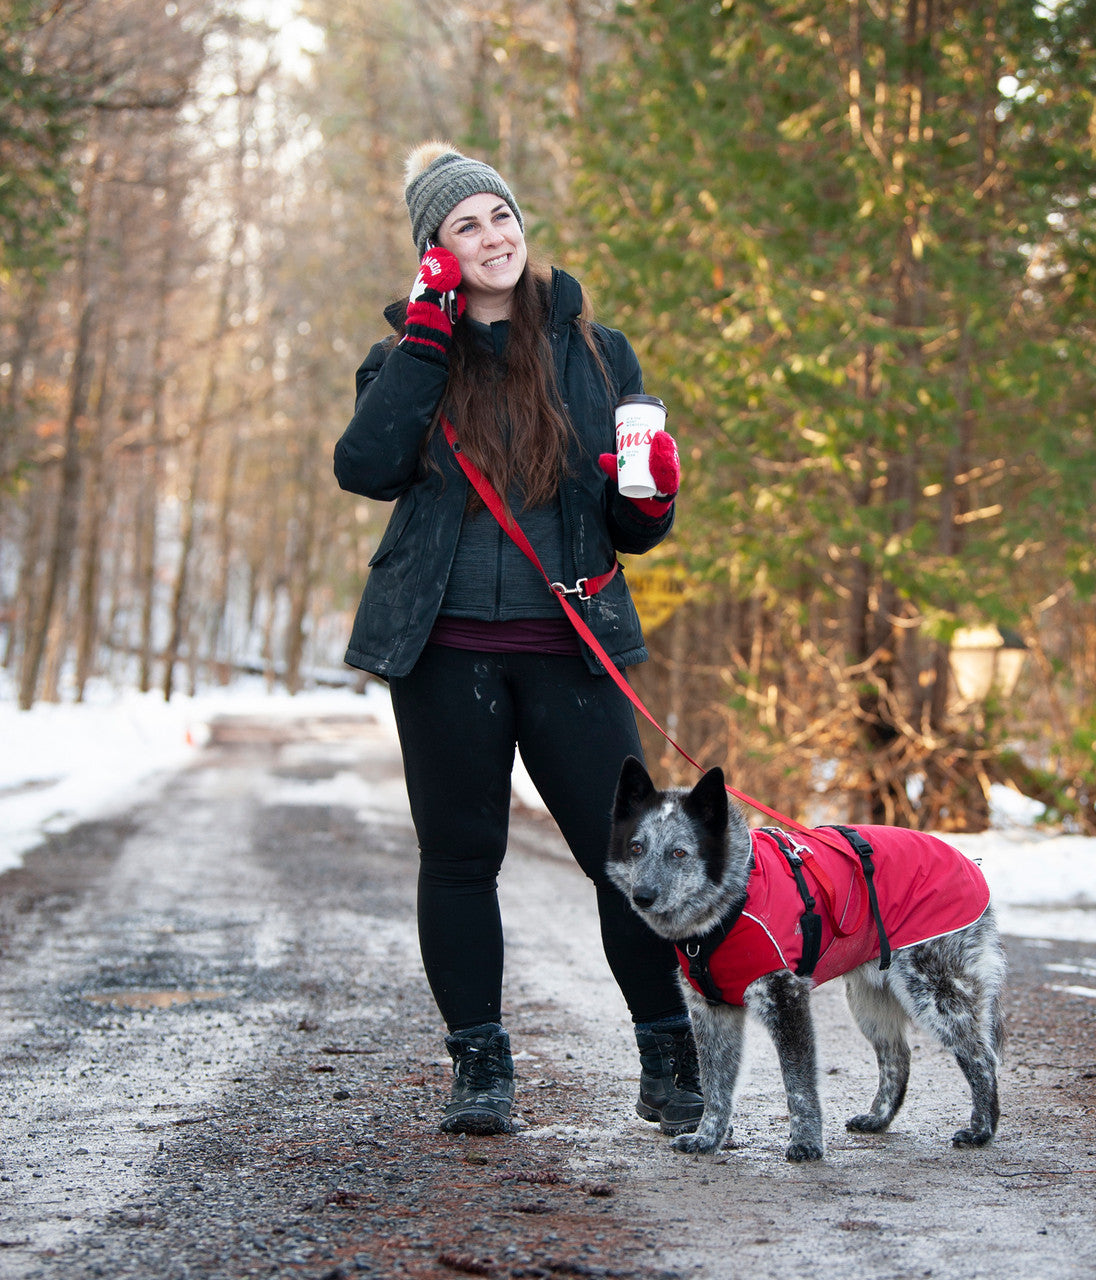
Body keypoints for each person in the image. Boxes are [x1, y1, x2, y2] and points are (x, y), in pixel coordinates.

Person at [333, 141, 701, 1138]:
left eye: (500, 216)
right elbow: (363, 464)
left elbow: (631, 523)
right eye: (465, 226)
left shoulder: (595, 350)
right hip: (443, 645)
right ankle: (479, 1068)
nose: (492, 236)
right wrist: (424, 333)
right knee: (460, 856)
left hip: (569, 641)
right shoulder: (406, 354)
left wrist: (653, 493)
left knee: (627, 861)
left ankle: (667, 1053)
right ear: (435, 252)